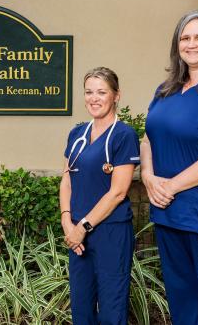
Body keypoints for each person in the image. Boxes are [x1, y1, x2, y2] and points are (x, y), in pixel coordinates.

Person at [141, 10, 198, 324]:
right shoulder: (164, 91)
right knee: (182, 303)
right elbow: (148, 138)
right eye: (185, 37)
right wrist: (148, 177)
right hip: (169, 214)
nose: (191, 44)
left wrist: (170, 186)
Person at [60, 67, 140, 324]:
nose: (94, 98)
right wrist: (67, 223)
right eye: (89, 92)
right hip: (77, 235)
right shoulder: (77, 134)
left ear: (116, 96)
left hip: (110, 233)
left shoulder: (124, 136)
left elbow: (118, 192)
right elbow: (66, 179)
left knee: (111, 308)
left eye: (101, 92)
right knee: (81, 308)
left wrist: (83, 226)